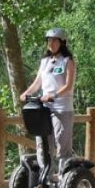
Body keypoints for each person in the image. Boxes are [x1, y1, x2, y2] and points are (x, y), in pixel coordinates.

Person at [21, 27, 77, 174]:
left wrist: (54, 95)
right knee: (43, 144)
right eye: (49, 40)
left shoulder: (67, 61)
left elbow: (68, 86)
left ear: (62, 42)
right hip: (44, 108)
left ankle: (64, 179)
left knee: (61, 144)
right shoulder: (45, 61)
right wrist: (26, 93)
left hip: (62, 108)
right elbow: (37, 82)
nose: (51, 43)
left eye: (54, 40)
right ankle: (46, 176)